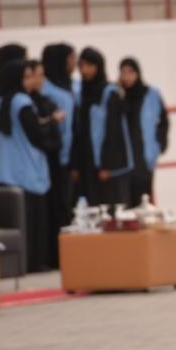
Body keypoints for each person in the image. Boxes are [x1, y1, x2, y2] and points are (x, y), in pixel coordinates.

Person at [0, 59, 52, 272]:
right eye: (27, 76)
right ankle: (31, 263)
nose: (31, 80)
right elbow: (35, 135)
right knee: (28, 223)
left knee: (7, 222)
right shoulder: (21, 102)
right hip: (21, 172)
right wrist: (50, 126)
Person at [71, 47, 132, 207]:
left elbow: (114, 132)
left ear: (99, 66)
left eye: (90, 65)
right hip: (87, 161)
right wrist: (76, 165)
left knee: (109, 207)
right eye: (82, 66)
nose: (85, 70)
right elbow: (78, 130)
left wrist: (108, 166)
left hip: (105, 164)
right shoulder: (81, 94)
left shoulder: (109, 93)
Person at [25, 59, 67, 267]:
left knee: (55, 210)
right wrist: (51, 121)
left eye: (42, 75)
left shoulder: (45, 101)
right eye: (36, 75)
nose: (40, 80)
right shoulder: (24, 103)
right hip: (37, 166)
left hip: (51, 164)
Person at [117, 58, 169, 207]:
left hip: (144, 155)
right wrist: (118, 92)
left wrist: (159, 144)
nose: (127, 77)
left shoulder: (151, 94)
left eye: (131, 72)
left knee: (144, 198)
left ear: (138, 73)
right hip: (125, 157)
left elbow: (163, 121)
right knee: (126, 200)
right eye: (123, 73)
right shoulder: (118, 95)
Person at [41, 43, 78, 211]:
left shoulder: (72, 85)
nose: (74, 63)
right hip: (53, 158)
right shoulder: (47, 90)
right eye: (71, 59)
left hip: (68, 158)